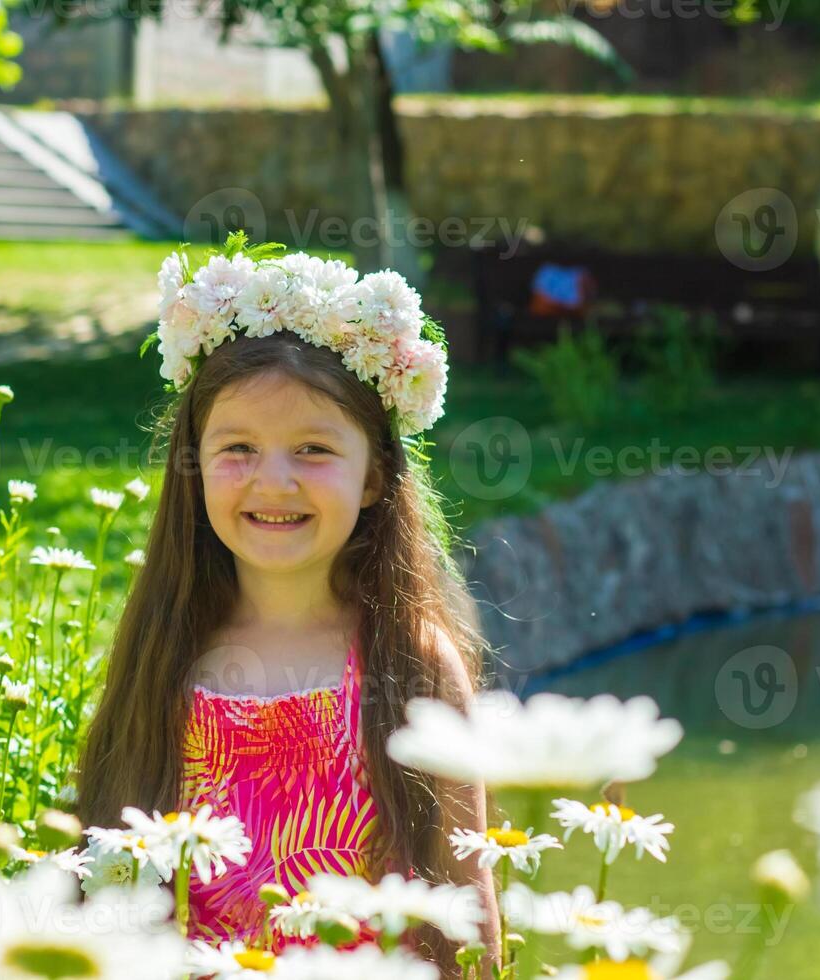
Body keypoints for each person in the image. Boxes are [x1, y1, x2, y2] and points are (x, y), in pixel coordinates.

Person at [76, 234, 501, 976]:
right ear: (195, 467)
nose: (273, 482)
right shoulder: (168, 651)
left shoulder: (413, 664)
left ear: (374, 477)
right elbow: (106, 879)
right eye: (238, 448)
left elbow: (470, 918)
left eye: (312, 449)